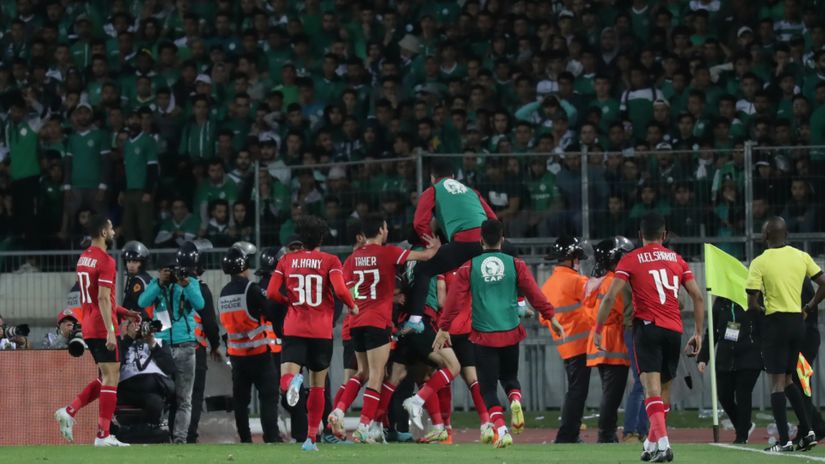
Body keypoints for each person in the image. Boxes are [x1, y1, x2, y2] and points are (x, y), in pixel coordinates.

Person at [433, 219, 564, 449]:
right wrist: (551, 317)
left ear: (480, 240)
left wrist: (444, 328)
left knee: (488, 388)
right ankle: (515, 399)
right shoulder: (516, 265)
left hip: (484, 336)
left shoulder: (468, 267)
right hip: (511, 333)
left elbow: (453, 301)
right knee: (510, 378)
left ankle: (502, 430)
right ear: (502, 239)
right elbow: (534, 293)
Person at [594, 212, 705, 462]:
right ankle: (651, 441)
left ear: (640, 235)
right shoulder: (678, 260)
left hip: (647, 328)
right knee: (664, 389)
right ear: (664, 235)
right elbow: (698, 297)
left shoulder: (631, 260)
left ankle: (663, 445)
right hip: (674, 329)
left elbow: (611, 296)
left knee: (649, 388)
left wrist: (598, 329)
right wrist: (698, 333)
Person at [331, 213, 440, 443]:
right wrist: (435, 246)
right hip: (377, 321)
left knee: (362, 372)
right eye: (386, 227)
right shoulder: (389, 253)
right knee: (377, 375)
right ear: (381, 230)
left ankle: (339, 410)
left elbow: (350, 293)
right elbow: (425, 256)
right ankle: (363, 426)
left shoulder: (351, 259)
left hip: (356, 322)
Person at [265, 215, 359, 452]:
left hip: (295, 328)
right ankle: (311, 439)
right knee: (317, 387)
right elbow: (339, 289)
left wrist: (288, 301)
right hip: (321, 332)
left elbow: (272, 292)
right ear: (321, 238)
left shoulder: (286, 260)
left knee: (286, 381)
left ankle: (294, 380)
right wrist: (352, 304)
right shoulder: (330, 260)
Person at [54, 214, 140, 447]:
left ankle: (70, 410)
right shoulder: (106, 261)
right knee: (112, 377)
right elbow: (102, 298)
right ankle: (103, 435)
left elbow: (97, 299)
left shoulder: (84, 258)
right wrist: (112, 330)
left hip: (90, 325)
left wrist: (124, 312)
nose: (113, 232)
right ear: (103, 232)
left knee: (105, 377)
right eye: (111, 228)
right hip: (102, 327)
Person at [745, 216, 825, 452]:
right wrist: (808, 307)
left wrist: (763, 312)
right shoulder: (801, 256)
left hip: (775, 322)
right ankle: (809, 432)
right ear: (786, 235)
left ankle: (784, 441)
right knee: (791, 380)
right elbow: (823, 282)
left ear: (766, 236)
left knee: (777, 384)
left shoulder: (760, 262)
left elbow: (752, 304)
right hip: (798, 323)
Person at [406, 159, 498, 327]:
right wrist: (496, 244)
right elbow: (493, 218)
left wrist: (431, 244)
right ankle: (519, 304)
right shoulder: (472, 191)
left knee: (422, 270)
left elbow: (419, 222)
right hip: (486, 244)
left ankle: (415, 320)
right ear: (454, 176)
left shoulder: (432, 190)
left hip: (463, 243)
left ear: (432, 178)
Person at [137, 241, 206, 444]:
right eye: (166, 270)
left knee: (184, 398)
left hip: (185, 346)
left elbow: (200, 304)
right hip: (163, 346)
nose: (172, 273)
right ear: (160, 271)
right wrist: (159, 283)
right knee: (164, 397)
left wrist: (184, 284)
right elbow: (142, 302)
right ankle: (162, 436)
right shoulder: (157, 285)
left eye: (173, 270)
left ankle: (180, 439)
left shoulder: (189, 281)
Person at [219, 246, 283, 443]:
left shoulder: (224, 293)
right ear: (244, 266)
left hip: (237, 358)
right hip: (259, 353)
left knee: (240, 401)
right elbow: (271, 311)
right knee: (268, 396)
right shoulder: (251, 289)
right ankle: (271, 437)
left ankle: (245, 439)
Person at [540, 236, 590, 444]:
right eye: (577, 257)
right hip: (582, 344)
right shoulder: (578, 281)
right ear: (570, 258)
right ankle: (567, 435)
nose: (579, 261)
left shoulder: (548, 285)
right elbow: (596, 307)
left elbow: (544, 319)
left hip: (565, 347)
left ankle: (570, 433)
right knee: (577, 393)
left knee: (574, 391)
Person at [257, 242, 309, 443]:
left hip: (263, 349)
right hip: (282, 347)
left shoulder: (258, 287)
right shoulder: (280, 286)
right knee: (293, 392)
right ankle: (301, 434)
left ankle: (273, 436)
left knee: (271, 396)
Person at [585, 236, 634, 443]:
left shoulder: (597, 282)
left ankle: (607, 433)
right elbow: (626, 313)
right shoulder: (616, 283)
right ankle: (606, 435)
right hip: (613, 343)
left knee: (609, 394)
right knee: (612, 397)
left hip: (598, 341)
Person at [696, 297, 762, 444]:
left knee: (743, 394)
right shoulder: (720, 303)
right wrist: (703, 358)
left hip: (749, 355)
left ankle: (741, 435)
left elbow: (763, 326)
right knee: (724, 396)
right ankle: (744, 425)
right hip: (725, 357)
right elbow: (712, 332)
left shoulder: (753, 299)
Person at [187, 242, 222, 444]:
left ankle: (175, 432)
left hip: (170, 348)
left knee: (177, 394)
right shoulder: (201, 289)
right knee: (195, 394)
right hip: (196, 348)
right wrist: (215, 345)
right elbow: (209, 322)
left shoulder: (170, 286)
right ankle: (189, 434)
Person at [117, 319, 176, 430]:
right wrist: (129, 339)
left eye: (141, 325)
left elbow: (169, 368)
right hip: (126, 391)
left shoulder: (159, 342)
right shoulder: (120, 343)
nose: (138, 329)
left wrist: (152, 343)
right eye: (134, 324)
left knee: (155, 403)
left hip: (152, 391)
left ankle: (150, 432)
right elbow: (114, 363)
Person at [121, 241, 152, 314]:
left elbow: (132, 306)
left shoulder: (138, 280)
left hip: (140, 321)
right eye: (128, 261)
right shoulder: (148, 277)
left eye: (135, 262)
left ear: (142, 263)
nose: (131, 265)